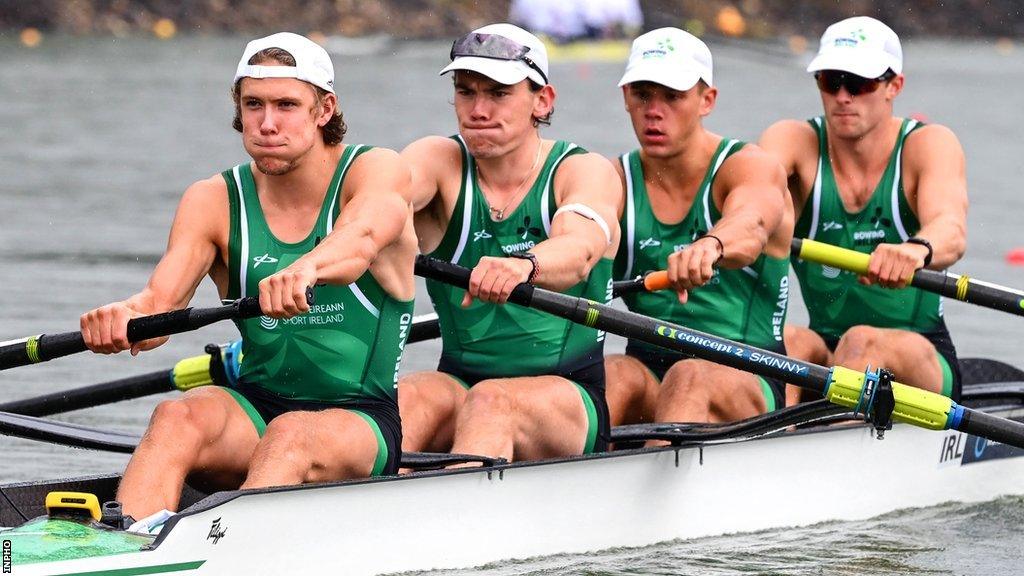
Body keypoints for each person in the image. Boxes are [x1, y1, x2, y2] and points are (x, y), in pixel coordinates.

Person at [79, 32, 417, 524]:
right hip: (255, 410)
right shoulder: (212, 199)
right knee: (177, 416)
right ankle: (125, 545)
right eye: (253, 104)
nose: (267, 123)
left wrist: (307, 268)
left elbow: (362, 239)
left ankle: (228, 548)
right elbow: (160, 306)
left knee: (293, 434)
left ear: (325, 109)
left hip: (361, 419)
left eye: (286, 105)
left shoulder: (376, 170)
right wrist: (123, 318)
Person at [398, 23, 620, 462]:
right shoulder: (436, 160)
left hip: (568, 394)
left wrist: (524, 266)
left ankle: (448, 515)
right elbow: (377, 203)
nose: (478, 110)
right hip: (460, 380)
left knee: (491, 402)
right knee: (402, 398)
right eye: (466, 92)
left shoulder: (582, 170)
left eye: (498, 94)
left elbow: (580, 249)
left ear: (543, 100)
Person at [759, 16, 967, 404]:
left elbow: (951, 228)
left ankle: (825, 441)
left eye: (859, 83)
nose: (843, 96)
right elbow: (752, 198)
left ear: (894, 86)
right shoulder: (792, 141)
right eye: (831, 81)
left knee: (860, 342)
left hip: (920, 350)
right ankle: (765, 446)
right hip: (828, 343)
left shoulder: (928, 145)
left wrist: (916, 249)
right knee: (786, 341)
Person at [605, 28, 792, 428]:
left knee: (689, 377)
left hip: (749, 372)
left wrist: (712, 245)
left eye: (672, 97)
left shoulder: (749, 165)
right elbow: (577, 243)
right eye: (642, 94)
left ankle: (652, 474)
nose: (654, 111)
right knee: (611, 373)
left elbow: (752, 223)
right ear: (625, 98)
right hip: (649, 371)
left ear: (707, 100)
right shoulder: (612, 180)